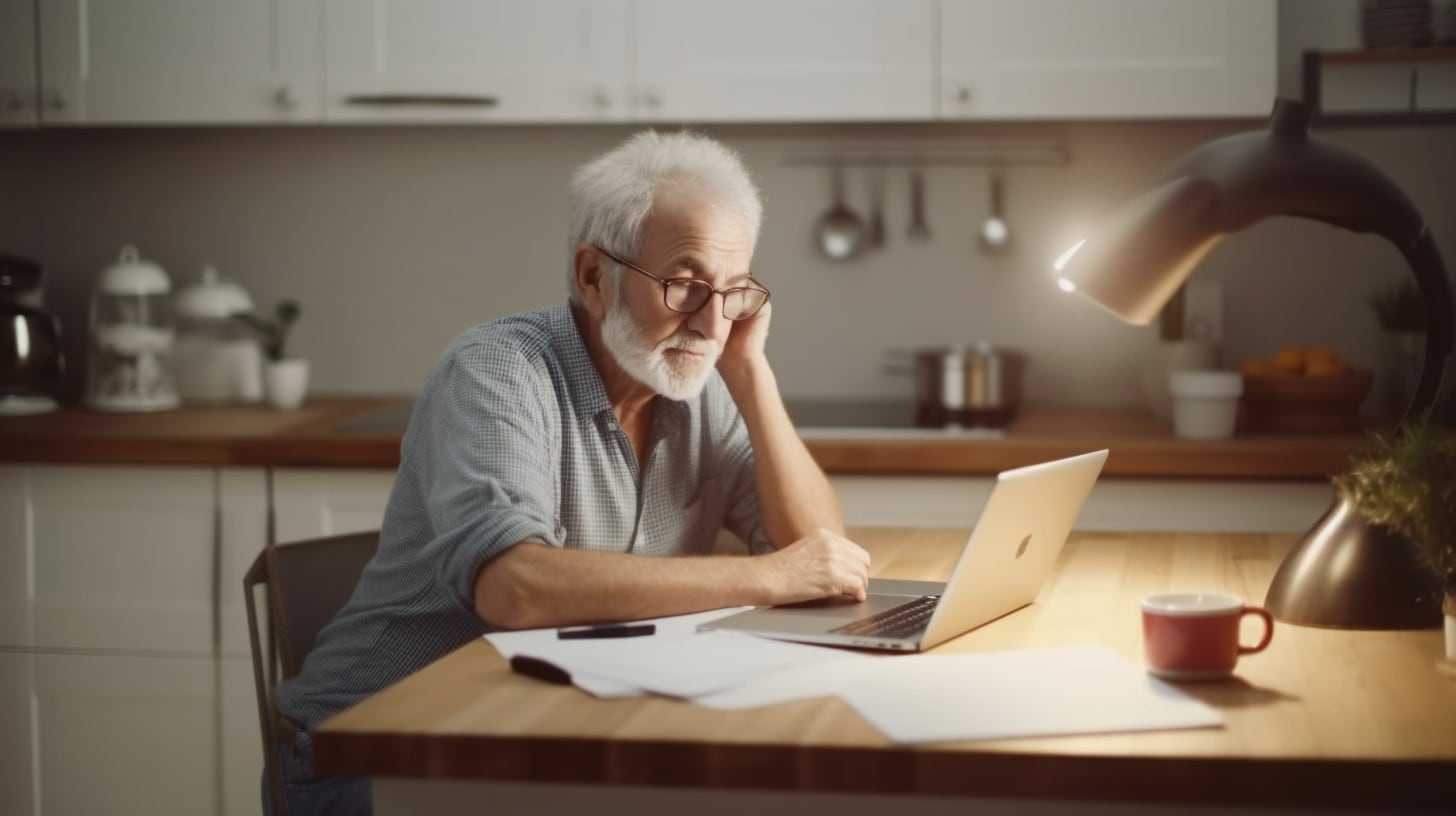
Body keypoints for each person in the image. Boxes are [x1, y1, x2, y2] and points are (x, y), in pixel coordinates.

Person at [264, 130, 871, 815]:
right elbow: (515, 588)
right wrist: (768, 578)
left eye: (733, 292)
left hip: (543, 737)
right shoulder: (497, 371)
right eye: (684, 285)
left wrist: (752, 370)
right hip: (377, 756)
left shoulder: (698, 382)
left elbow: (821, 551)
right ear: (593, 277)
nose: (709, 323)